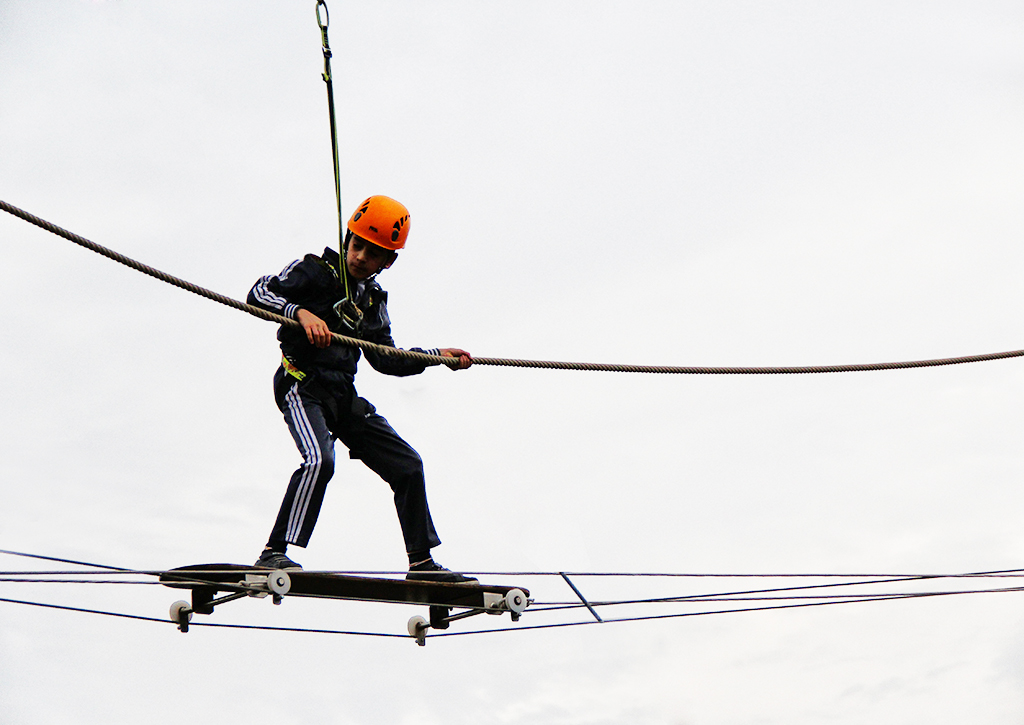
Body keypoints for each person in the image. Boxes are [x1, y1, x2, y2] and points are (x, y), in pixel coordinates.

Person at [246, 194, 476, 583]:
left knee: (408, 465)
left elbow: (386, 359)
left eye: (372, 254)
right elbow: (259, 292)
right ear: (347, 237)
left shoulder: (372, 301)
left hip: (343, 398)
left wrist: (438, 355)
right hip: (301, 386)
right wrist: (299, 313)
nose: (359, 257)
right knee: (320, 461)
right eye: (356, 245)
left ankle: (422, 564)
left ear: (388, 262)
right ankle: (274, 553)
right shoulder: (314, 272)